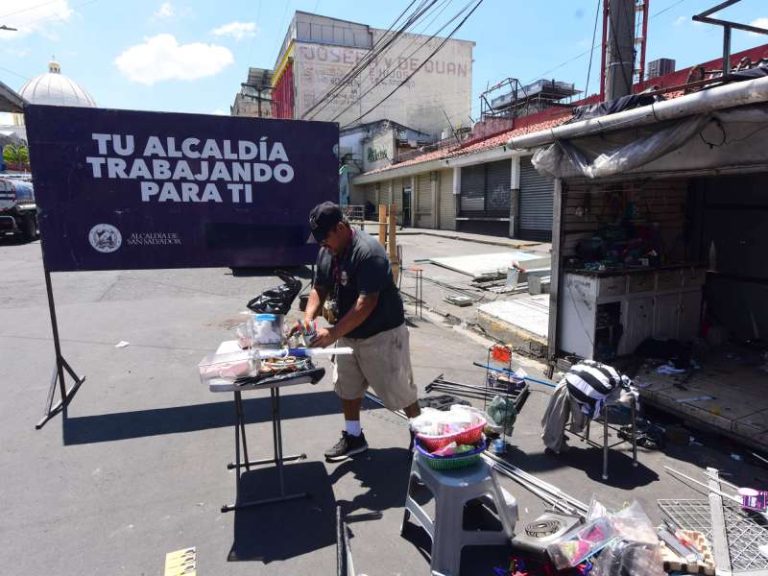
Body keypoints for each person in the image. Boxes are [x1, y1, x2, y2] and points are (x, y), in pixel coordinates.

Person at [304, 201, 420, 462]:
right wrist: (308, 318)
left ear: (341, 228)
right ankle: (354, 436)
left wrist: (332, 334)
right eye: (319, 240)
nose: (322, 244)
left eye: (325, 238)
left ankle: (421, 436)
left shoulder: (368, 252)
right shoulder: (328, 251)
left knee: (399, 389)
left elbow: (366, 303)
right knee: (347, 387)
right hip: (348, 332)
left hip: (382, 333)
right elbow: (319, 288)